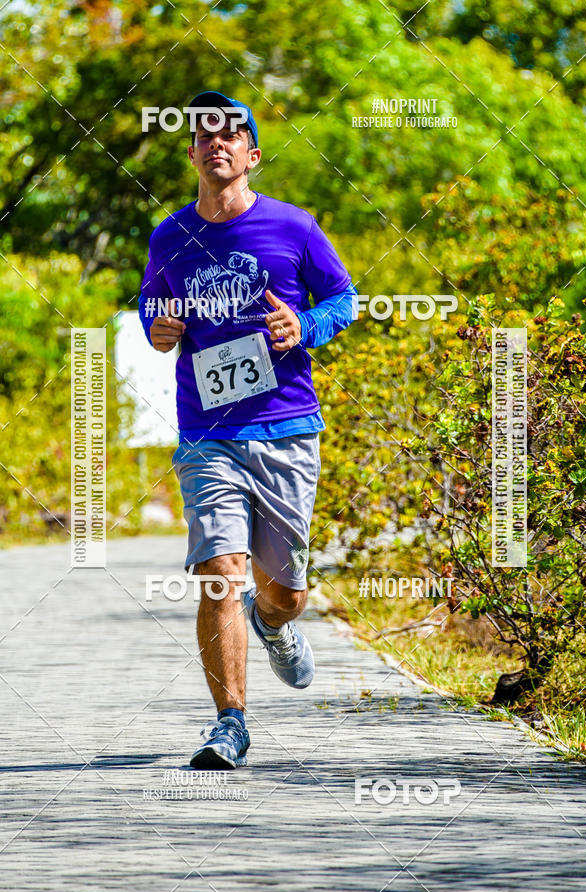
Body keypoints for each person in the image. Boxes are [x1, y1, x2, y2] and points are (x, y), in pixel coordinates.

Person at [138, 90, 357, 769]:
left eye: (232, 133)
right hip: (208, 433)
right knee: (219, 570)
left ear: (253, 155)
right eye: (205, 135)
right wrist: (159, 326)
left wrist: (307, 325)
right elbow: (152, 302)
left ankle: (273, 623)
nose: (217, 142)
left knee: (284, 590)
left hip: (288, 427)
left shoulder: (294, 227)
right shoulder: (170, 235)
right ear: (193, 153)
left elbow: (344, 297)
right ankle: (229, 722)